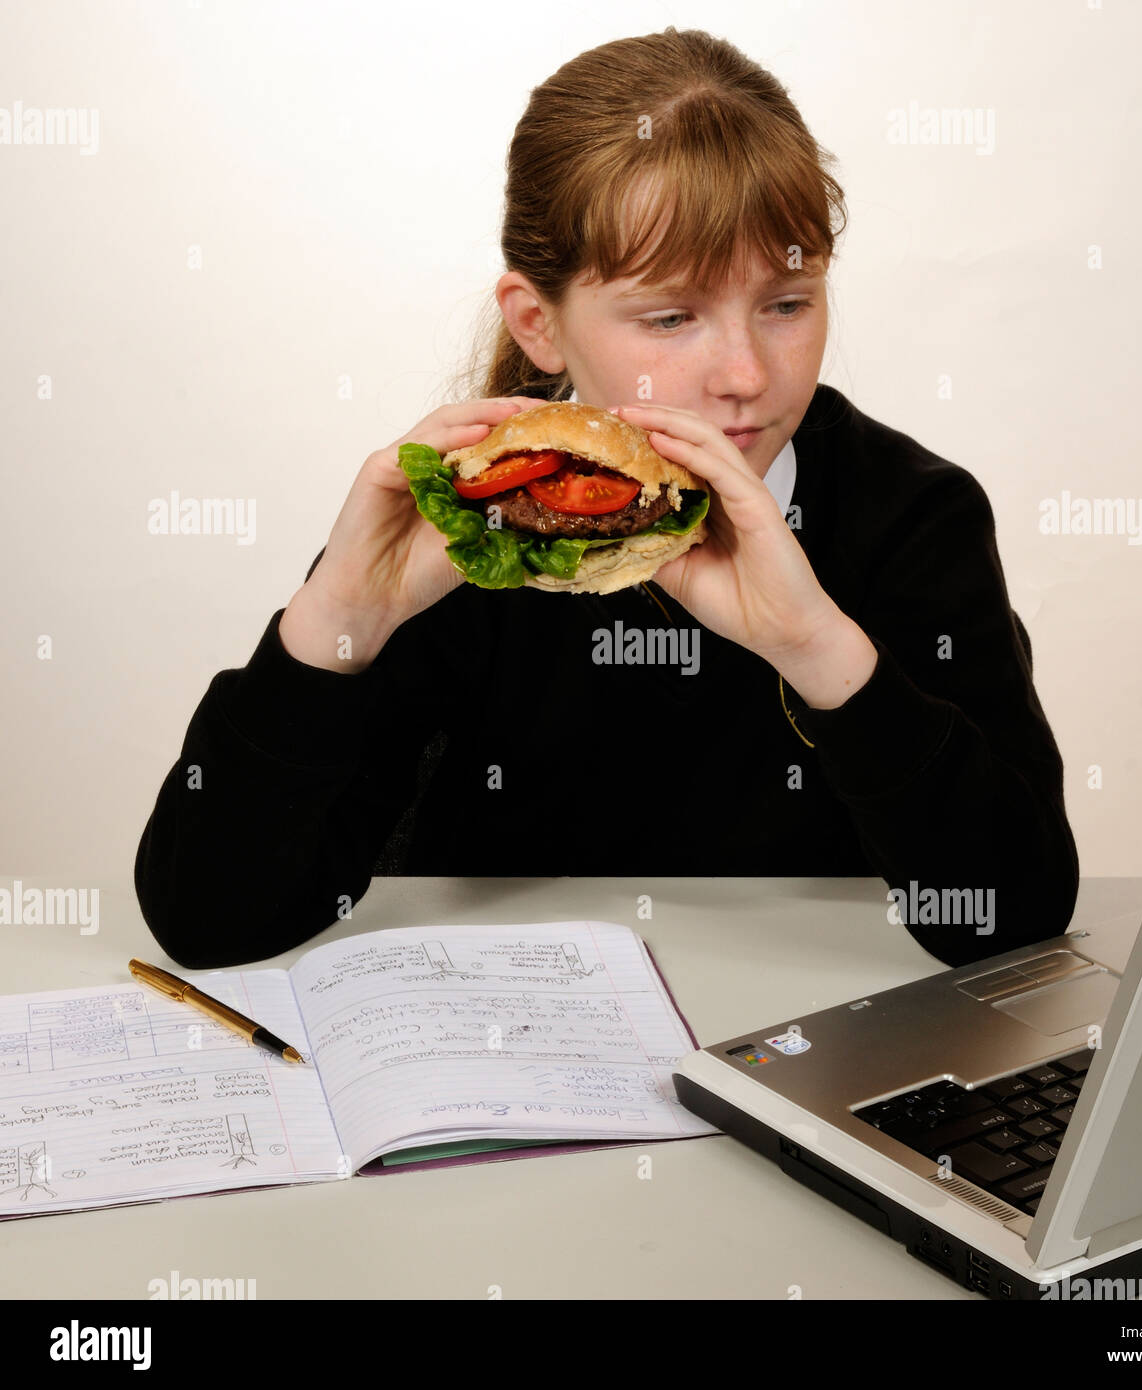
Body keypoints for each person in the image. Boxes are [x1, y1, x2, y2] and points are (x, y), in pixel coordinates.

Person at [134, 27, 1079, 972]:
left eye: (787, 304)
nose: (747, 375)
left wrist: (818, 650)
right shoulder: (465, 521)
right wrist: (337, 623)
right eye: (672, 317)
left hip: (787, 1051)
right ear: (539, 324)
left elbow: (1013, 923)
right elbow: (209, 919)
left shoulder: (914, 516)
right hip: (498, 1042)